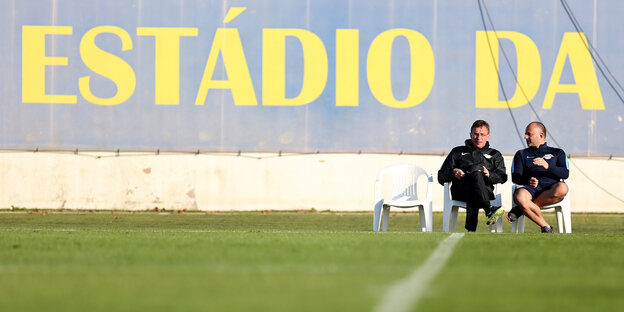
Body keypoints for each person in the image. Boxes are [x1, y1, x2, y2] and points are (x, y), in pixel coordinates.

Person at [438, 120, 507, 232]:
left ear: (488, 136)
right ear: (470, 135)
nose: (478, 138)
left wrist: (489, 175)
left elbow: (503, 177)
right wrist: (453, 172)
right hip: (460, 191)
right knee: (475, 176)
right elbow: (441, 176)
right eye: (475, 134)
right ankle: (488, 209)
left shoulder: (495, 154)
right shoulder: (457, 151)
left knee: (476, 176)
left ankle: (471, 230)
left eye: (482, 135)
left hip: (486, 191)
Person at [508, 121, 569, 233]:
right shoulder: (521, 154)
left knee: (563, 188)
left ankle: (520, 210)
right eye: (525, 134)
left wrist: (548, 166)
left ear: (541, 135)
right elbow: (515, 177)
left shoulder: (557, 152)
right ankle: (545, 226)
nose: (525, 137)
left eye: (529, 134)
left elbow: (565, 174)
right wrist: (528, 180)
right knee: (520, 196)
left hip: (550, 189)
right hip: (530, 189)